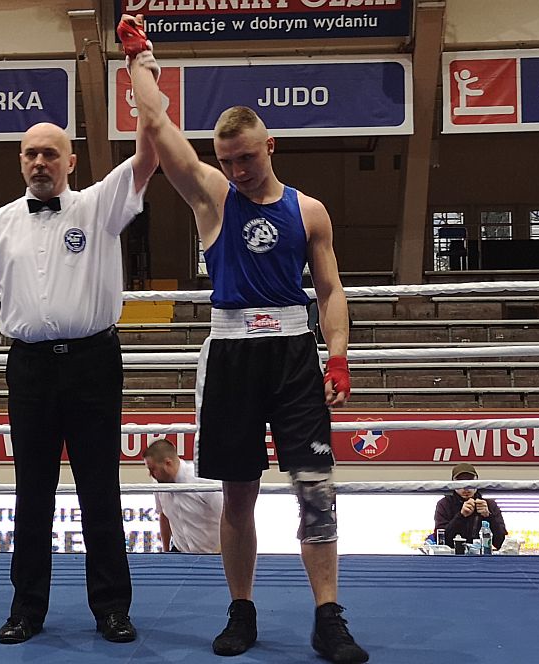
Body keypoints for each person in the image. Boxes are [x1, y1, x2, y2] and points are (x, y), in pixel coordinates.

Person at [123, 14, 367, 663]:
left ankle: (329, 616)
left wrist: (338, 358)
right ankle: (241, 609)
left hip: (293, 352)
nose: (237, 169)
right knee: (237, 492)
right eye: (227, 160)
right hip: (230, 353)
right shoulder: (212, 197)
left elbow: (331, 290)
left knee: (316, 484)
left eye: (247, 158)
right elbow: (159, 129)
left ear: (271, 146)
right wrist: (140, 59)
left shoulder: (309, 210)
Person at [0, 120, 158, 645]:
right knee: (32, 491)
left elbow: (148, 155)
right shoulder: (2, 222)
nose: (39, 163)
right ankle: (26, 608)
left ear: (70, 162)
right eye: (31, 154)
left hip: (94, 361)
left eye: (50, 154)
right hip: (28, 365)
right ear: (20, 161)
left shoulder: (100, 204)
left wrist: (143, 76)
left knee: (101, 487)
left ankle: (112, 609)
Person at [142, 438, 223, 553]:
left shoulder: (203, 480)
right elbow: (164, 517)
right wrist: (166, 553)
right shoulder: (158, 485)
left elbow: (229, 517)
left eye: (152, 469)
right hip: (179, 553)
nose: (150, 474)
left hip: (213, 555)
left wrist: (221, 554)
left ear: (168, 463)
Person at [434, 462, 507, 550]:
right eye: (461, 483)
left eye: (470, 482)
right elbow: (441, 541)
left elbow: (501, 543)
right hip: (452, 559)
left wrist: (489, 517)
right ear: (453, 484)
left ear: (477, 483)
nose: (466, 488)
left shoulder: (490, 505)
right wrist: (461, 516)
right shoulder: (445, 504)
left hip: (482, 558)